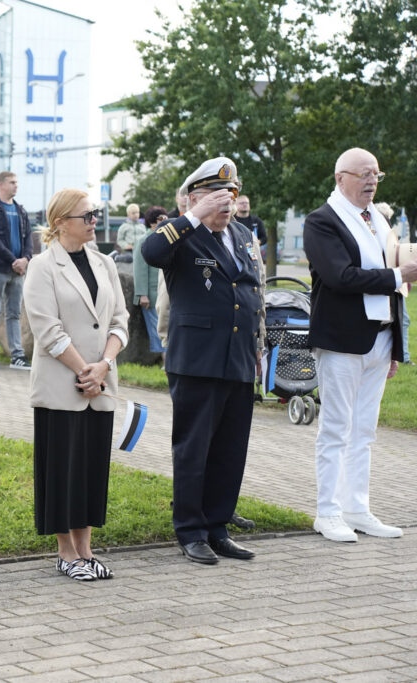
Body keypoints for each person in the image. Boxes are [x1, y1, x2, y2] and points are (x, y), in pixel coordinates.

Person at [141, 156, 264, 565]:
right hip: (197, 360)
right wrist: (193, 217)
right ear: (194, 198)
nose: (227, 202)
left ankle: (218, 527)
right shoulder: (181, 234)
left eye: (232, 194)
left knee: (230, 450)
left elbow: (253, 291)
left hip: (239, 356)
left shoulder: (242, 234)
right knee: (194, 450)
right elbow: (151, 251)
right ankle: (191, 530)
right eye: (217, 195)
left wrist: (258, 347)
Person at [304, 148, 417, 543]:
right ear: (341, 178)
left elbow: (394, 288)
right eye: (364, 174)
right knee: (336, 428)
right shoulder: (322, 221)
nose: (372, 181)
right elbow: (340, 277)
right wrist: (397, 275)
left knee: (365, 431)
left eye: (376, 175)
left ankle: (357, 508)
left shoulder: (378, 219)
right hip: (342, 340)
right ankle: (328, 512)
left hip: (380, 338)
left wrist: (395, 346)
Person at [23, 189, 129, 582]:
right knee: (62, 471)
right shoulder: (42, 266)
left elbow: (119, 321)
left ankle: (86, 550)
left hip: (99, 385)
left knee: (90, 471)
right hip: (62, 386)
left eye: (95, 213)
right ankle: (66, 553)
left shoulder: (104, 263)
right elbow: (47, 329)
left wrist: (104, 366)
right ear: (60, 222)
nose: (94, 220)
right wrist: (86, 372)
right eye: (86, 215)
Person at [0, 171, 33, 369]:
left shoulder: (21, 210)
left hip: (18, 271)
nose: (16, 185)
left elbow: (28, 238)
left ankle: (17, 355)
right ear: (1, 185)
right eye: (12, 182)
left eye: (16, 182)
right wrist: (14, 260)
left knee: (14, 313)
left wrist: (26, 259)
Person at [375, 202, 411, 365]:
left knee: (401, 320)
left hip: (394, 283)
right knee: (399, 320)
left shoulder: (386, 233)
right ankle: (401, 356)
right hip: (390, 283)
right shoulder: (382, 234)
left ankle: (400, 356)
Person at [133, 206, 168, 356]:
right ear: (152, 222)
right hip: (151, 295)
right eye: (160, 219)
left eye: (165, 218)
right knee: (157, 330)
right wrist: (142, 294)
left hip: (166, 293)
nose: (164, 221)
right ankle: (165, 362)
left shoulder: (166, 238)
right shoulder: (143, 240)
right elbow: (139, 269)